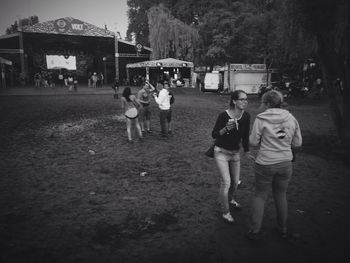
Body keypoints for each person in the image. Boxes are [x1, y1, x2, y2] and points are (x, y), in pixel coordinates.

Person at [246, 90, 302, 240]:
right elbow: (297, 143)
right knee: (281, 194)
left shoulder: (261, 119)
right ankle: (282, 228)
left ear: (268, 104)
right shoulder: (291, 118)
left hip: (265, 163)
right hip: (285, 163)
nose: (261, 105)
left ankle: (254, 230)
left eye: (263, 103)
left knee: (260, 195)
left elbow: (252, 142)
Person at [211, 90, 250, 224]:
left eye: (246, 99)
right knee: (226, 182)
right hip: (221, 152)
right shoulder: (224, 115)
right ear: (234, 101)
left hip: (235, 153)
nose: (245, 101)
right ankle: (225, 212)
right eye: (242, 99)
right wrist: (226, 129)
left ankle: (230, 199)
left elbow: (245, 136)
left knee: (235, 182)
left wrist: (247, 150)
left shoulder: (246, 116)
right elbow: (214, 134)